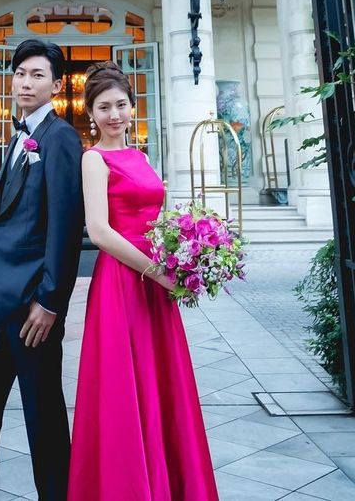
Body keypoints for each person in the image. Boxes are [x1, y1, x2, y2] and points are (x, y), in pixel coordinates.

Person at [67, 61, 220, 501]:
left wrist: (189, 250)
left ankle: (170, 484)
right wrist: (159, 273)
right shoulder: (93, 160)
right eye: (102, 107)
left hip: (157, 282)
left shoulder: (142, 156)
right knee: (124, 386)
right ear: (90, 114)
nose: (113, 114)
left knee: (161, 382)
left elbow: (158, 220)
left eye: (120, 105)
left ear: (133, 107)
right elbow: (99, 232)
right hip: (123, 282)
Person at [0, 39, 84, 501]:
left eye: (38, 75)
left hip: (33, 313)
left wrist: (50, 302)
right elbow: (0, 227)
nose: (26, 82)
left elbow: (66, 229)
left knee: (43, 421)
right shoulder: (18, 138)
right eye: (20, 73)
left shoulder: (61, 138)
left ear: (57, 84)